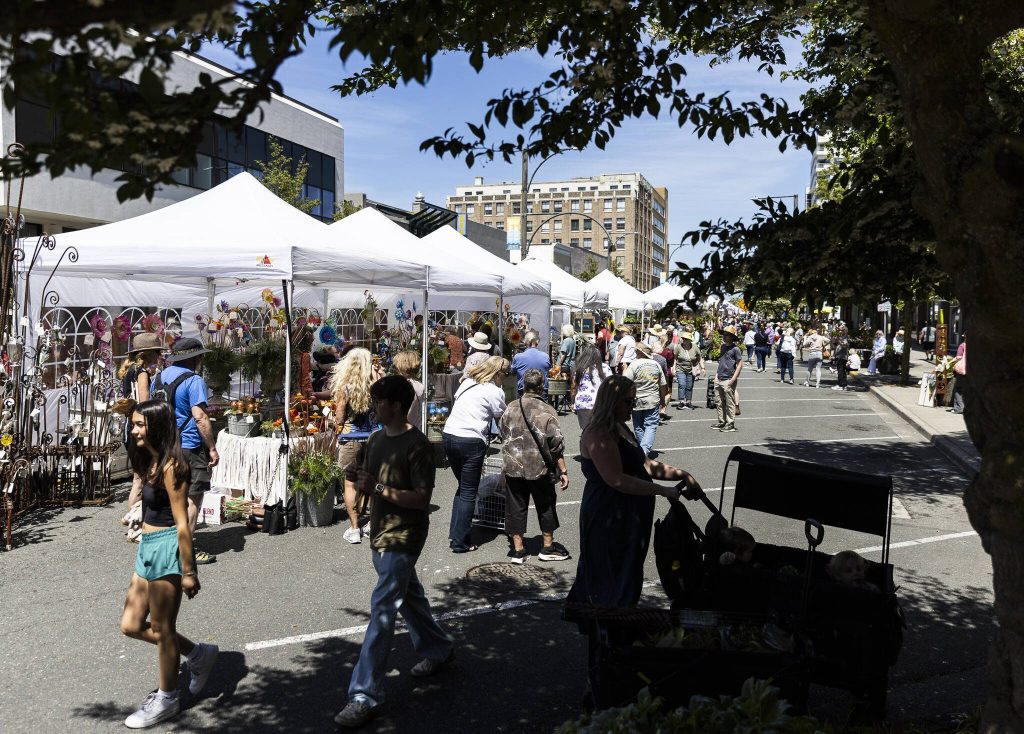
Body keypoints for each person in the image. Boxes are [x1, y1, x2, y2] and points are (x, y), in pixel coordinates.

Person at [334, 376, 454, 729]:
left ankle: (364, 695)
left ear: (397, 406)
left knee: (383, 608)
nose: (373, 407)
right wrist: (357, 477)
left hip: (404, 536)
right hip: (381, 533)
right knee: (408, 596)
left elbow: (421, 499)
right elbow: (369, 479)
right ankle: (438, 648)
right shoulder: (374, 439)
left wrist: (379, 487)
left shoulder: (418, 445)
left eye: (379, 401)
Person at [566, 374, 705, 618]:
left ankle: (620, 619)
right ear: (614, 402)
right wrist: (662, 490)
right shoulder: (599, 433)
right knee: (609, 571)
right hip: (609, 514)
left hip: (630, 514)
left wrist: (683, 474)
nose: (635, 406)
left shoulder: (619, 427)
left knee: (628, 569)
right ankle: (608, 629)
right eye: (630, 401)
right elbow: (616, 479)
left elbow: (646, 465)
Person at [119, 400, 217, 729]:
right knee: (131, 624)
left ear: (157, 426)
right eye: (132, 424)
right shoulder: (151, 459)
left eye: (139, 425)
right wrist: (137, 516)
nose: (133, 431)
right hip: (147, 546)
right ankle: (197, 653)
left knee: (162, 630)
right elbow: (152, 507)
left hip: (165, 549)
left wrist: (189, 572)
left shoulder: (173, 466)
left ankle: (167, 698)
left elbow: (182, 523)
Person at [151, 338, 220, 565]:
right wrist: (211, 447)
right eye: (200, 356)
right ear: (194, 358)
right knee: (192, 498)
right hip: (188, 446)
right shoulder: (193, 380)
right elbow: (200, 417)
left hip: (165, 445)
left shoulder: (158, 378)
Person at [499, 368, 571, 564]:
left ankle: (518, 550)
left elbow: (502, 433)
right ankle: (547, 547)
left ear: (523, 385)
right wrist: (563, 470)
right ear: (541, 387)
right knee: (545, 504)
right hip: (539, 467)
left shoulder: (510, 407)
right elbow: (556, 445)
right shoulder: (547, 411)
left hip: (513, 465)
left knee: (515, 506)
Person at [442, 356, 509, 553]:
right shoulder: (495, 392)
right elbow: (502, 421)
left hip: (449, 435)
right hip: (471, 440)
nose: (505, 378)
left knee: (463, 487)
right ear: (497, 373)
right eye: (505, 374)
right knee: (469, 491)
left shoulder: (467, 382)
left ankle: (456, 533)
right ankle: (461, 542)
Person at [332, 347, 384, 544]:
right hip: (373, 439)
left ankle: (354, 528)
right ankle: (371, 524)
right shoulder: (376, 385)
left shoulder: (345, 388)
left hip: (351, 440)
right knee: (371, 482)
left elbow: (339, 417)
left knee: (350, 483)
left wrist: (338, 426)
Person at [118, 332, 165, 526]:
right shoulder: (142, 372)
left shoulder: (128, 371)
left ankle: (133, 520)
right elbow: (144, 404)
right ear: (147, 353)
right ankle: (136, 522)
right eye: (156, 352)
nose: (158, 356)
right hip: (141, 428)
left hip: (129, 427)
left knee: (137, 477)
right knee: (141, 478)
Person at [624, 342, 668, 457]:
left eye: (636, 351)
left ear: (640, 352)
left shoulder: (634, 364)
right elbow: (663, 385)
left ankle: (642, 450)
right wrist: (663, 400)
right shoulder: (656, 364)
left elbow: (626, 382)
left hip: (637, 399)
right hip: (653, 399)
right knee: (651, 425)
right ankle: (644, 449)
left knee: (638, 426)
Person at [571, 343, 613, 430]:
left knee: (586, 431)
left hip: (582, 404)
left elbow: (574, 387)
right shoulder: (605, 368)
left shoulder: (580, 369)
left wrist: (572, 402)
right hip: (600, 404)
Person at [712, 326, 743, 432]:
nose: (724, 337)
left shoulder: (736, 349)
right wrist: (716, 375)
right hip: (719, 377)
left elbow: (740, 364)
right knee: (718, 401)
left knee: (729, 402)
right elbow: (721, 361)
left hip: (728, 378)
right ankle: (722, 421)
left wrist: (733, 379)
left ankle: (730, 423)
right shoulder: (723, 347)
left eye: (726, 335)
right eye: (723, 334)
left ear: (731, 337)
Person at [510, 330, 549, 395]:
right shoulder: (545, 356)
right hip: (541, 391)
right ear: (537, 342)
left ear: (525, 342)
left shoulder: (518, 357)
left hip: (524, 391)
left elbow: (512, 371)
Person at [392, 350, 424, 427]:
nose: (394, 367)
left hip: (402, 429)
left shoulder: (405, 385)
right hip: (414, 427)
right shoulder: (418, 384)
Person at [672, 330, 703, 410]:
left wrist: (702, 368)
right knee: (682, 384)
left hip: (691, 369)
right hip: (680, 368)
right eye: (683, 339)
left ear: (690, 340)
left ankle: (688, 402)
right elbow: (675, 358)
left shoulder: (695, 347)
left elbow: (699, 358)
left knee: (689, 386)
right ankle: (682, 402)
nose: (684, 340)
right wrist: (674, 368)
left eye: (686, 339)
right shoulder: (679, 347)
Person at [831, 325, 851, 391]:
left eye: (841, 330)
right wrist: (834, 341)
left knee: (841, 371)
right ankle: (844, 385)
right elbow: (834, 345)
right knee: (842, 371)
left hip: (842, 356)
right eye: (839, 330)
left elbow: (845, 346)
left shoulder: (846, 337)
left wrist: (839, 341)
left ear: (844, 331)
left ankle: (840, 385)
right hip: (839, 355)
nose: (839, 331)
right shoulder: (841, 337)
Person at [950, 334, 966, 414]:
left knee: (959, 389)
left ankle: (959, 408)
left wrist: (950, 363)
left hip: (963, 370)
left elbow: (959, 357)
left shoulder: (963, 346)